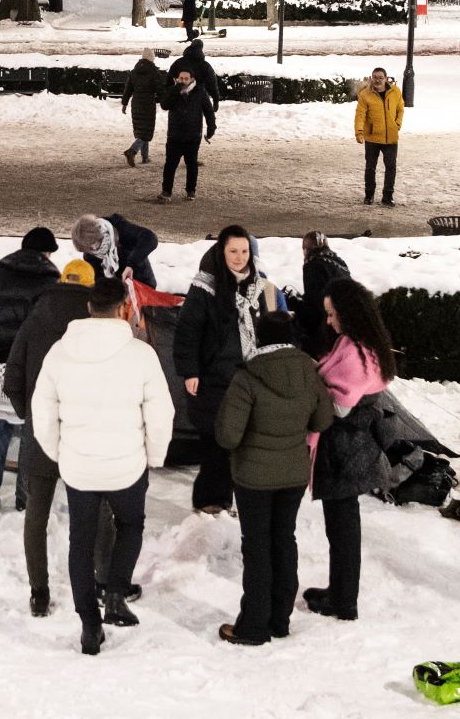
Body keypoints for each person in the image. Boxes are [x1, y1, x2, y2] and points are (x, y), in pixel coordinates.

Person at [30, 276, 174, 656]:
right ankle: (115, 593)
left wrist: (59, 453)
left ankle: (89, 625)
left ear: (89, 308)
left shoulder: (60, 353)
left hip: (79, 467)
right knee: (131, 525)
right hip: (127, 466)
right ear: (124, 309)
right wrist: (154, 456)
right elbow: (161, 414)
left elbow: (42, 412)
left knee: (82, 539)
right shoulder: (141, 355)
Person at [214, 309, 333, 645]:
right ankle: (280, 620)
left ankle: (253, 626)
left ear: (259, 337)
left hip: (253, 477)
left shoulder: (248, 376)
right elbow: (322, 421)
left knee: (257, 548)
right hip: (293, 474)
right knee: (284, 541)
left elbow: (228, 436)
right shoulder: (308, 371)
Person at [4, 264, 98, 618]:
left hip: (41, 432)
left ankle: (39, 592)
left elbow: (12, 378)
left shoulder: (35, 317)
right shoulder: (95, 326)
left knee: (37, 514)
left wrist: (30, 413)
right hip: (84, 432)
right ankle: (98, 582)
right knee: (94, 511)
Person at [302, 278, 394, 621]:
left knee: (341, 529)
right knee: (343, 527)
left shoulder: (354, 354)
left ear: (347, 313)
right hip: (353, 448)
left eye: (331, 314)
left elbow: (339, 406)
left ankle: (343, 602)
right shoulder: (365, 344)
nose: (328, 320)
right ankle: (340, 592)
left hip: (342, 450)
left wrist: (312, 380)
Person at [173, 226, 280, 514]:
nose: (239, 257)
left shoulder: (260, 285)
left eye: (244, 251)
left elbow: (270, 328)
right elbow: (187, 332)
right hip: (214, 379)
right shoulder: (205, 287)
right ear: (221, 251)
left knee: (244, 442)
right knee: (218, 441)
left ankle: (237, 497)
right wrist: (190, 371)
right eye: (233, 251)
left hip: (250, 377)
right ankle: (211, 500)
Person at [0, 228, 60, 515]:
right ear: (46, 252)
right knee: (32, 433)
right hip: (32, 368)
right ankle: (26, 502)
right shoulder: (50, 280)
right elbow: (50, 326)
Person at [155, 67, 216, 204]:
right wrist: (176, 90)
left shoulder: (200, 92)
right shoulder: (172, 90)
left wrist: (211, 127)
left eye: (186, 78)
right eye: (180, 78)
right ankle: (166, 191)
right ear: (177, 79)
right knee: (170, 164)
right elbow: (164, 105)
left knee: (191, 164)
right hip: (174, 136)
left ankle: (190, 190)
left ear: (192, 79)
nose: (183, 81)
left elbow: (209, 111)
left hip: (192, 136)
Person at [66, 213, 160, 290]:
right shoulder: (90, 254)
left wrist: (131, 265)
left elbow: (150, 238)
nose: (94, 249)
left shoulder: (118, 227)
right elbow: (99, 279)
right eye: (89, 248)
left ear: (97, 234)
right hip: (117, 293)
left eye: (93, 243)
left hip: (142, 283)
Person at [354, 66, 405, 208]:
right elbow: (360, 115)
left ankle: (387, 197)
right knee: (370, 168)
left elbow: (400, 108)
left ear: (386, 78)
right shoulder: (365, 95)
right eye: (375, 77)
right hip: (372, 138)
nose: (377, 80)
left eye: (380, 78)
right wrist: (359, 132)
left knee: (391, 168)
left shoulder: (395, 92)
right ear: (371, 78)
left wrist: (397, 124)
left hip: (391, 137)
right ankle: (369, 195)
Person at [119, 54, 162, 168]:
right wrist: (165, 101)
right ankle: (132, 151)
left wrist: (124, 103)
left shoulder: (134, 71)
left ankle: (145, 157)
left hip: (136, 103)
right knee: (146, 132)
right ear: (151, 58)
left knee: (142, 130)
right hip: (148, 103)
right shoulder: (153, 71)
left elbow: (128, 89)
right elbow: (160, 88)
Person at [171, 37, 222, 109]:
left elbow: (170, 80)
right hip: (198, 97)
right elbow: (211, 83)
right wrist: (216, 100)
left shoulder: (178, 62)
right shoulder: (205, 65)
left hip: (180, 95)